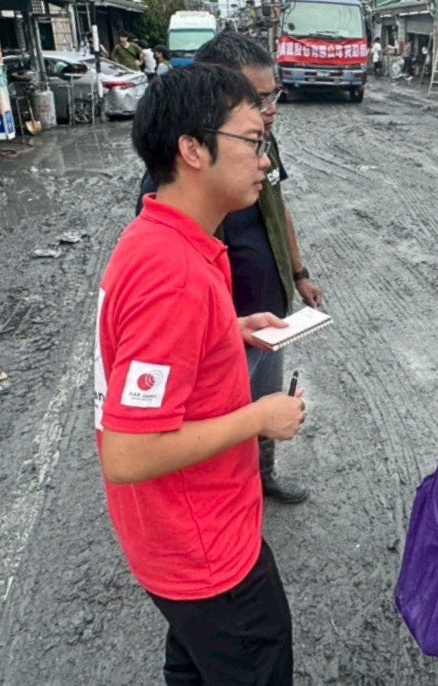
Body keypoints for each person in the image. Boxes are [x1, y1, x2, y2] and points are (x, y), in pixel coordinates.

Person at [98, 63, 306, 685]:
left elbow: (149, 358)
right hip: (207, 550)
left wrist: (226, 333)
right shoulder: (175, 276)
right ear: (193, 149)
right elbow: (129, 452)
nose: (264, 160)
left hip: (176, 540)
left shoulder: (161, 239)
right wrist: (259, 418)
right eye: (252, 140)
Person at [137, 31, 323, 503]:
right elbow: (135, 448)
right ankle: (229, 495)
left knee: (262, 402)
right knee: (219, 422)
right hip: (219, 330)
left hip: (260, 318)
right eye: (258, 99)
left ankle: (260, 479)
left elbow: (279, 209)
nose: (271, 109)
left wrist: (298, 274)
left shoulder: (262, 150)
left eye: (273, 95)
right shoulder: (169, 242)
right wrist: (221, 325)